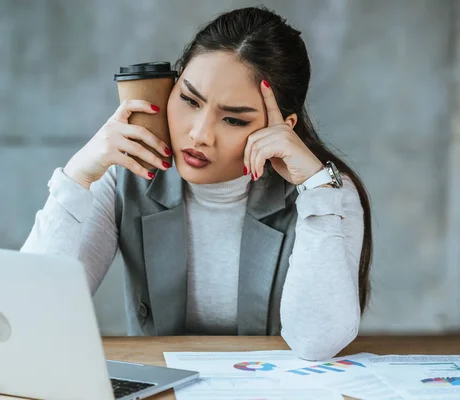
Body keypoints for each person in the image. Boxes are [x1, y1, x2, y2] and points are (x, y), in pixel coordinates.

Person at [21, 6, 372, 361]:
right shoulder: (125, 177)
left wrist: (317, 192)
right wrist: (77, 176)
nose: (199, 135)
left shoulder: (325, 192)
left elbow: (319, 341)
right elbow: (29, 319)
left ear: (282, 127)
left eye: (234, 119)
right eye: (189, 100)